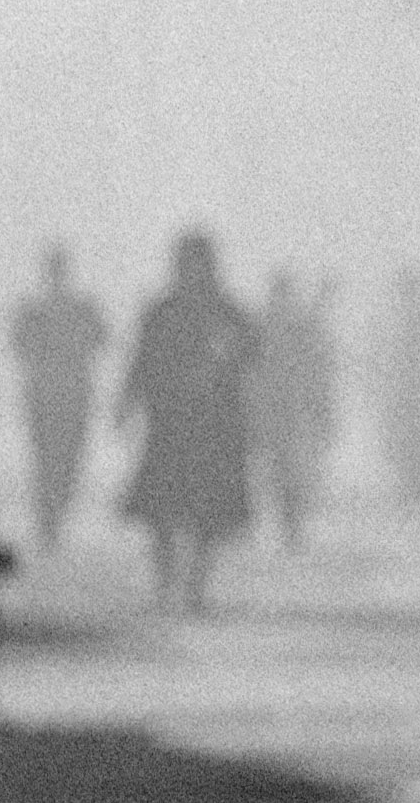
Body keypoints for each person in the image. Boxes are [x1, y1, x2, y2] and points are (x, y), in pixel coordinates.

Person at [121, 230, 264, 611]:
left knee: (209, 513)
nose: (192, 270)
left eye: (197, 262)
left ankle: (196, 587)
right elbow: (141, 359)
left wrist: (227, 353)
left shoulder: (227, 310)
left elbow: (253, 351)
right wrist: (126, 402)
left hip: (216, 427)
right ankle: (164, 584)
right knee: (161, 511)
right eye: (186, 261)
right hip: (169, 424)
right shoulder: (162, 310)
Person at [6, 245, 107, 559]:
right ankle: (48, 519)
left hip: (72, 398)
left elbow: (101, 340)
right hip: (46, 398)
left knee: (65, 463)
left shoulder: (81, 308)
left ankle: (53, 516)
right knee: (48, 462)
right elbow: (19, 345)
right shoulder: (35, 310)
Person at [256, 266, 338, 553]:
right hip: (275, 413)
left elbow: (313, 351)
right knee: (280, 473)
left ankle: (292, 526)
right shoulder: (265, 326)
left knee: (289, 473)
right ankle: (288, 525)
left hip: (288, 413)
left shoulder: (278, 325)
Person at [370, 253, 420, 519]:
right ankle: (410, 491)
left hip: (412, 394)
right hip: (402, 393)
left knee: (412, 444)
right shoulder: (405, 318)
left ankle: (415, 493)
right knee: (403, 444)